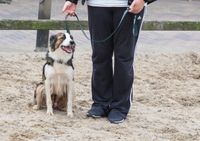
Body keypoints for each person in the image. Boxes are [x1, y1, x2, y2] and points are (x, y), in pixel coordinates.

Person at [63, 0, 156, 124]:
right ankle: (101, 102)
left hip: (128, 6)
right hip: (97, 5)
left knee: (123, 57)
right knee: (100, 55)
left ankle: (120, 106)